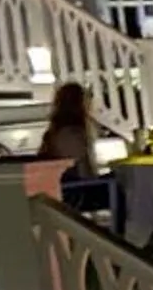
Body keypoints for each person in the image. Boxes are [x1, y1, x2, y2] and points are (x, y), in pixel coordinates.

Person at [38, 80, 116, 214]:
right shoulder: (72, 134)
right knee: (123, 185)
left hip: (67, 190)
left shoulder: (56, 132)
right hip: (75, 192)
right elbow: (83, 172)